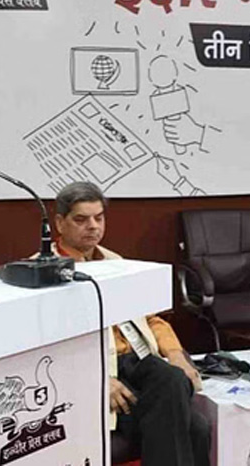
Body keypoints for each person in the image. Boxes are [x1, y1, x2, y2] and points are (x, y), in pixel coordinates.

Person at [50, 181, 210, 466]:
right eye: (81, 219)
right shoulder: (44, 271)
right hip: (101, 367)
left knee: (175, 376)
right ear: (60, 223)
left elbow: (150, 317)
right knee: (195, 427)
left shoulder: (115, 261)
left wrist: (176, 354)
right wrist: (97, 379)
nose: (93, 227)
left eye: (99, 218)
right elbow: (47, 347)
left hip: (139, 360)